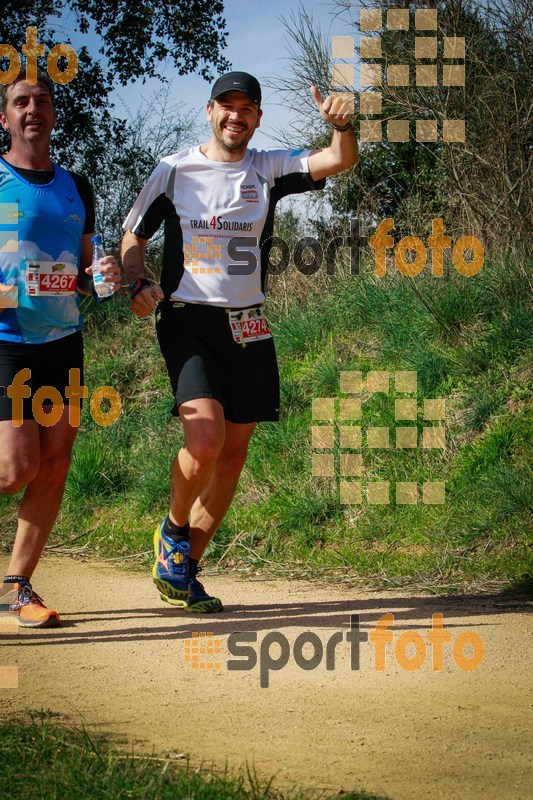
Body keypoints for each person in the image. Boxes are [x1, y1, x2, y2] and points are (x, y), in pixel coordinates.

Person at [121, 71, 358, 613]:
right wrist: (137, 282)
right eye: (226, 106)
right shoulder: (174, 170)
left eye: (246, 108)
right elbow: (133, 233)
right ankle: (172, 531)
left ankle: (184, 570)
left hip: (249, 324)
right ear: (209, 111)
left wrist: (344, 125)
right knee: (205, 439)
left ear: (257, 117)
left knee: (233, 452)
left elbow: (337, 159)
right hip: (187, 319)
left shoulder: (268, 167)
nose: (235, 116)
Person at [0, 69, 121, 627]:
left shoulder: (78, 187)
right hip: (7, 341)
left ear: (53, 114)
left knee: (54, 464)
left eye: (42, 101)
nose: (33, 109)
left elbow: (84, 270)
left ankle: (17, 588)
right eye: (21, 101)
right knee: (15, 467)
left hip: (63, 342)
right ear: (5, 118)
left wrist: (107, 274)